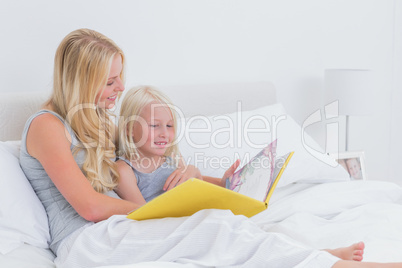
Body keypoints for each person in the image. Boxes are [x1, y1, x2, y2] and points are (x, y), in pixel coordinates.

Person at [19, 28, 402, 268]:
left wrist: (201, 177)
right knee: (213, 226)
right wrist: (161, 211)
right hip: (85, 246)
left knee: (228, 224)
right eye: (110, 81)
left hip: (114, 230)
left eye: (122, 79)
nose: (120, 89)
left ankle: (315, 258)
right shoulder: (46, 127)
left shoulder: (99, 122)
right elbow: (90, 206)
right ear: (82, 81)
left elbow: (152, 154)